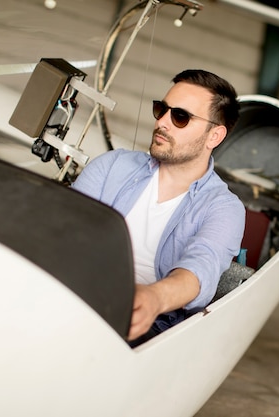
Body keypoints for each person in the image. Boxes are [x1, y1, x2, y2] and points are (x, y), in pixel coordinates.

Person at [72, 69, 245, 344]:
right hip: (73, 295)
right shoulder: (112, 166)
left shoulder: (224, 209)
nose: (162, 121)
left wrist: (153, 297)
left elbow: (199, 268)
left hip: (145, 324)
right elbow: (67, 230)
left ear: (215, 136)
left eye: (180, 116)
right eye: (161, 109)